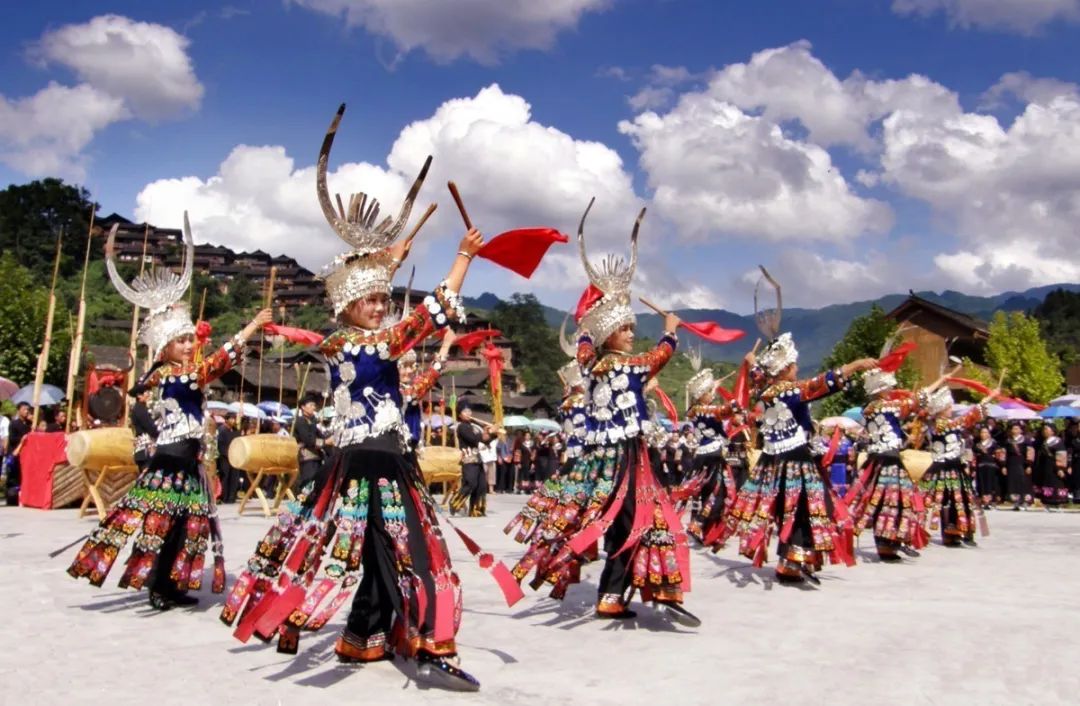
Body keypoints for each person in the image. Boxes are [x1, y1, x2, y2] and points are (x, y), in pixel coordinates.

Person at [220, 109, 485, 690]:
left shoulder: (375, 341)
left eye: (380, 298)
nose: (377, 305)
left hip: (390, 458)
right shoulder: (348, 342)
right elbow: (423, 319)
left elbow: (406, 327)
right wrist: (461, 258)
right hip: (365, 462)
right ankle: (424, 642)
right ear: (344, 306)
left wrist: (391, 262)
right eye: (367, 298)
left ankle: (363, 636)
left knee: (378, 551)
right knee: (404, 548)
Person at [68, 212, 272, 610]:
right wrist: (249, 328)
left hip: (187, 459)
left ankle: (170, 584)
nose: (186, 345)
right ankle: (160, 585)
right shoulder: (173, 375)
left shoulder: (176, 372)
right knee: (163, 524)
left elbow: (207, 368)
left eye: (186, 339)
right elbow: (213, 366)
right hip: (172, 460)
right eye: (179, 341)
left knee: (184, 526)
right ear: (164, 347)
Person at [534, 200, 696, 623]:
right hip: (625, 457)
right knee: (642, 517)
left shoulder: (591, 364)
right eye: (625, 329)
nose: (630, 334)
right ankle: (623, 592)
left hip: (602, 458)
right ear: (612, 335)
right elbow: (658, 357)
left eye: (631, 329)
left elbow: (585, 342)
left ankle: (613, 593)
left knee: (623, 522)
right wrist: (671, 332)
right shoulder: (626, 365)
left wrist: (591, 320)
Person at [723, 328, 876, 584]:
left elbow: (759, 376)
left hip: (773, 460)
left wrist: (752, 362)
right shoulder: (791, 391)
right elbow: (822, 382)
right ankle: (792, 561)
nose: (797, 368)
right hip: (795, 459)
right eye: (793, 365)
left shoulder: (766, 391)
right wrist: (856, 364)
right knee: (805, 508)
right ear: (784, 369)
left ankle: (791, 560)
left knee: (789, 508)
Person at [843, 360, 946, 562]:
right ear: (881, 390)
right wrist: (940, 381)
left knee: (881, 502)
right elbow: (919, 399)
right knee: (896, 500)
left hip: (876, 459)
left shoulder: (868, 408)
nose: (891, 391)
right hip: (889, 461)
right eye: (888, 388)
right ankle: (891, 542)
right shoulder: (887, 406)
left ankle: (888, 544)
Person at [920, 388, 995, 546]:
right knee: (947, 500)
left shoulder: (947, 424)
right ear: (941, 410)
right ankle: (949, 531)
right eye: (948, 408)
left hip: (955, 467)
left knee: (961, 499)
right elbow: (965, 419)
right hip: (943, 468)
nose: (950, 410)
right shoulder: (939, 425)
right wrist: (987, 399)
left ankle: (961, 530)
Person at [450, 405, 489, 517]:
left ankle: (476, 510)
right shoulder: (462, 427)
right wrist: (487, 432)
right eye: (464, 411)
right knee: (470, 483)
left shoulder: (474, 426)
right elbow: (474, 439)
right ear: (460, 415)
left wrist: (492, 434)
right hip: (468, 459)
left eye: (469, 411)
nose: (468, 413)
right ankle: (454, 503)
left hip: (478, 459)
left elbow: (485, 441)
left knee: (481, 486)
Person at [1033, 422, 1070, 509]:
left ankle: (1058, 503)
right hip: (1045, 466)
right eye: (1043, 429)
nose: (1044, 431)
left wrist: (1061, 468)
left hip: (1055, 466)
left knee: (1056, 482)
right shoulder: (1043, 442)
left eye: (1046, 429)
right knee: (1046, 482)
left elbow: (1062, 454)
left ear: (1052, 431)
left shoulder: (1057, 442)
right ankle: (1047, 502)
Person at [293, 393, 325, 489]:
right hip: (306, 456)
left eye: (314, 405)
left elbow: (322, 435)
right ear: (303, 407)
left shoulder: (314, 421)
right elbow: (308, 440)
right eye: (310, 405)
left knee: (317, 482)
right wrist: (325, 442)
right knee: (308, 481)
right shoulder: (300, 421)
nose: (313, 408)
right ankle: (304, 501)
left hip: (317, 456)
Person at [5, 402, 32, 505]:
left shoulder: (28, 424)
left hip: (25, 455)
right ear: (19, 410)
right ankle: (12, 498)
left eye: (28, 409)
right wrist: (22, 439)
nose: (26, 411)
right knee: (13, 477)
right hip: (15, 453)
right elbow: (12, 439)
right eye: (24, 409)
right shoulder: (14, 423)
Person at [1003, 421, 1033, 510]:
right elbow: (1004, 454)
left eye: (1017, 428)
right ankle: (1016, 502)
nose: (1015, 430)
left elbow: (1030, 452)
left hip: (1023, 463)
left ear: (1021, 430)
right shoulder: (1008, 441)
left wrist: (1029, 465)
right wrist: (1003, 465)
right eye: (1013, 429)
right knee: (1013, 482)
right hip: (1011, 463)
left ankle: (1025, 502)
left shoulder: (1026, 440)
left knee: (1024, 482)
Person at [972, 426, 1003, 509]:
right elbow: (974, 456)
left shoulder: (994, 444)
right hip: (980, 466)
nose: (983, 434)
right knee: (981, 483)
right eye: (982, 432)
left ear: (989, 434)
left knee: (991, 483)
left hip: (991, 466)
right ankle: (983, 501)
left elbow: (998, 455)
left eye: (985, 432)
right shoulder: (976, 445)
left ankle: (991, 501)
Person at [129, 386, 158, 472]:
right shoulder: (140, 409)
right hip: (145, 447)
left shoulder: (142, 408)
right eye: (147, 392)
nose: (149, 394)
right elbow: (151, 428)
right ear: (139, 395)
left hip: (145, 447)